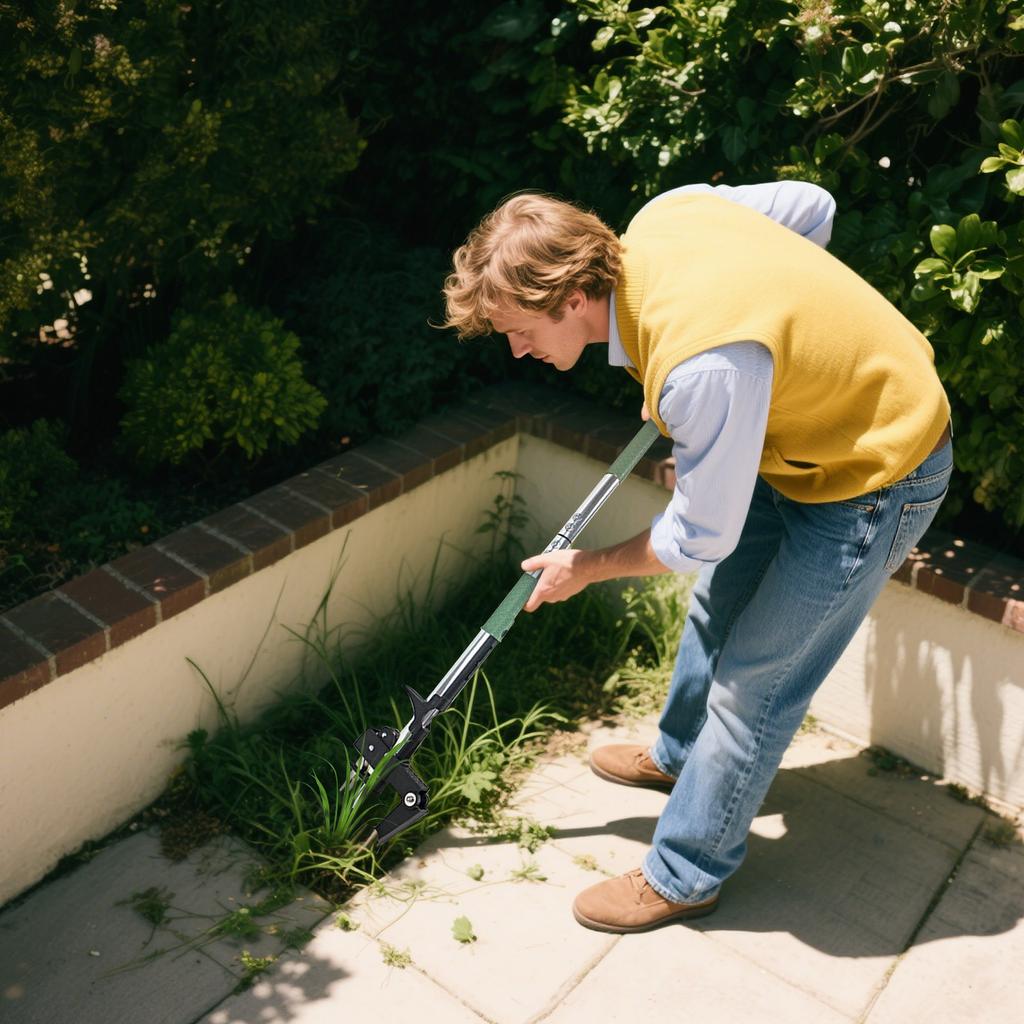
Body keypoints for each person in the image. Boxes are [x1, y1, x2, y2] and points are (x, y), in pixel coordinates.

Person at [441, 182, 953, 934]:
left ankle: (686, 872)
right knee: (717, 608)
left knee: (757, 683)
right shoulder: (664, 218)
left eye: (518, 330)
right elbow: (813, 207)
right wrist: (757, 373)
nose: (516, 349)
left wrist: (587, 567)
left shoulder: (699, 369)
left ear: (576, 294)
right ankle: (680, 756)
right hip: (796, 447)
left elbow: (699, 534)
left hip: (878, 471)